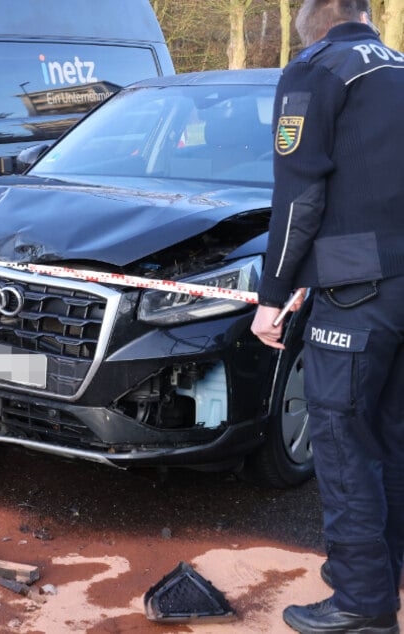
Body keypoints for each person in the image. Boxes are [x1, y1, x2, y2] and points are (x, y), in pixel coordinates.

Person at [250, 1, 404, 632]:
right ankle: (377, 570)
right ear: (366, 14)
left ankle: (363, 604)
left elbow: (298, 195)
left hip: (355, 288)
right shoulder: (397, 67)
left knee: (341, 441)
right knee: (391, 436)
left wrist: (272, 292)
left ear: (313, 17)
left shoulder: (317, 69)